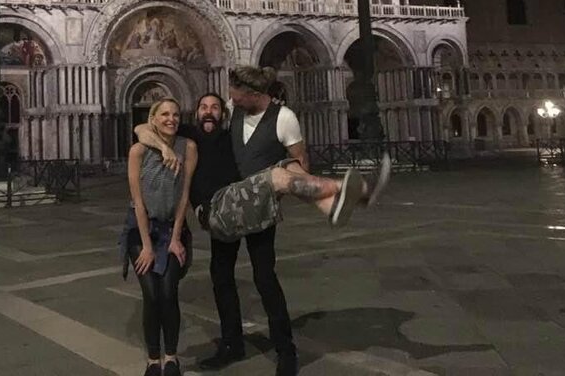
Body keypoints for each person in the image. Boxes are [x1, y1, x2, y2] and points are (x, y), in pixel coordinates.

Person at [136, 87, 390, 375]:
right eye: (204, 107)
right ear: (196, 114)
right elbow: (143, 128)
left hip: (249, 199)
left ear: (224, 114)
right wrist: (164, 147)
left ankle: (286, 352)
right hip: (220, 208)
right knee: (222, 278)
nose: (209, 111)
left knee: (265, 276)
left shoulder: (233, 134)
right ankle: (232, 345)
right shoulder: (189, 137)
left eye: (215, 108)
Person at [120, 98, 197, 376]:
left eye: (176, 114)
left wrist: (176, 238)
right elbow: (137, 201)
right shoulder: (138, 151)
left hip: (173, 230)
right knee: (152, 294)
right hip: (141, 232)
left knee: (169, 292)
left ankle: (172, 357)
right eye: (164, 114)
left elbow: (184, 195)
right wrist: (147, 247)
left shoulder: (188, 147)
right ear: (153, 118)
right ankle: (154, 359)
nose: (171, 119)